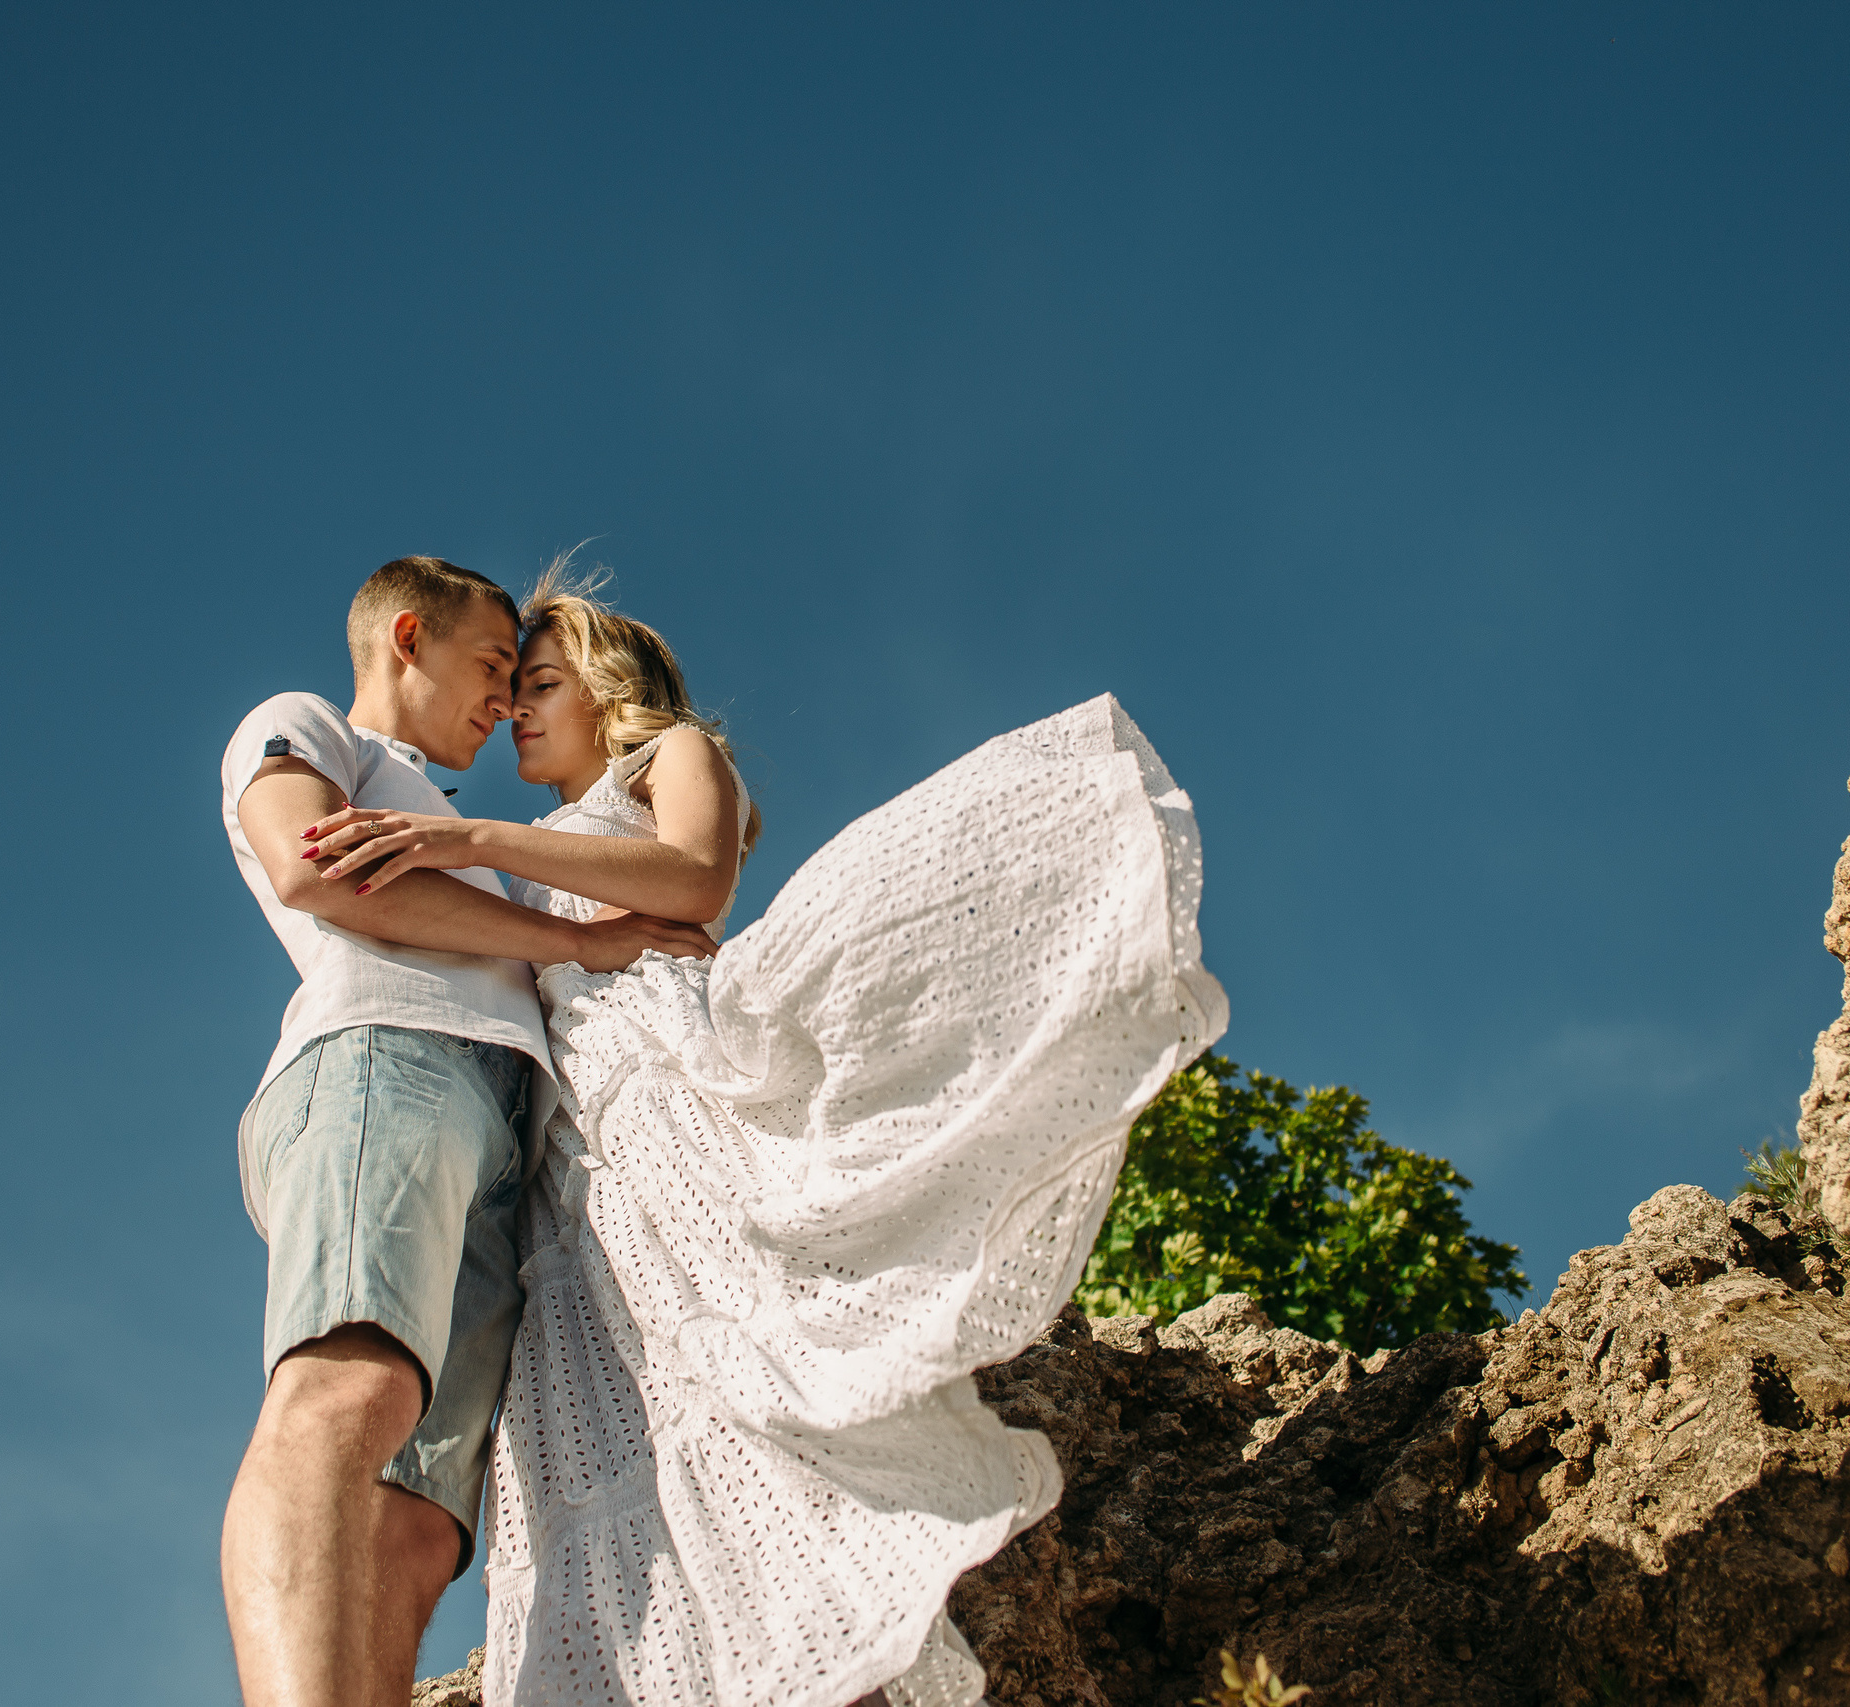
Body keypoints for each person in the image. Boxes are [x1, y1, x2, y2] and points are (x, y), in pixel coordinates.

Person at [303, 559, 1227, 1707]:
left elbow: (692, 877)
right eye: (510, 684)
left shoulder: (669, 756)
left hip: (663, 1088)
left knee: (744, 1366)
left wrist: (478, 839)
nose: (514, 710)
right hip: (561, 1171)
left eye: (538, 681)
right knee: (613, 1441)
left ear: (604, 685)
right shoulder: (524, 841)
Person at [217, 556, 719, 1707]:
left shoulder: (456, 819)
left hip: (506, 1132)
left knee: (424, 1518)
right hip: (385, 1060)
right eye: (493, 665)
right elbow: (315, 868)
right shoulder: (302, 727)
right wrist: (584, 942)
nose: (501, 703)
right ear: (408, 638)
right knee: (351, 1392)